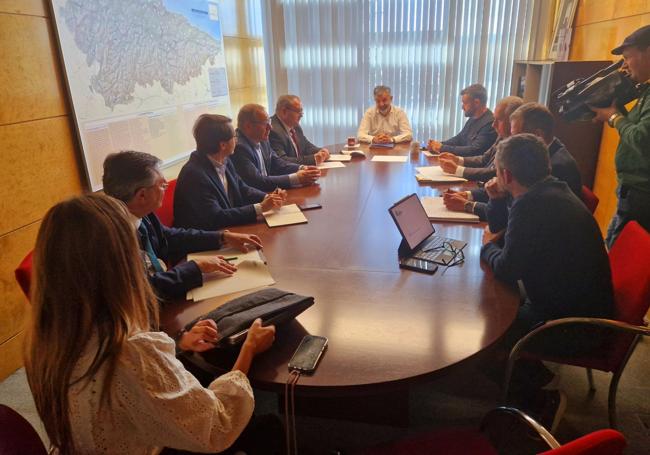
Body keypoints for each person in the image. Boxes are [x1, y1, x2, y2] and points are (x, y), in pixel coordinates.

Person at [25, 193, 277, 454]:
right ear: (120, 264)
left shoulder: (43, 342)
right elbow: (217, 428)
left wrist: (178, 346)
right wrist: (248, 350)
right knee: (268, 430)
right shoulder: (129, 351)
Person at [480, 134, 614, 429]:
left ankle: (542, 398)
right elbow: (510, 238)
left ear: (506, 174)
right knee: (493, 309)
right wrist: (496, 201)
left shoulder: (532, 206)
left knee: (485, 332)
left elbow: (507, 267)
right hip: (578, 305)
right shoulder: (551, 191)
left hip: (573, 326)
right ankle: (537, 376)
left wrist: (487, 246)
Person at [103, 150, 263, 301]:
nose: (166, 186)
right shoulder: (111, 239)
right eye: (161, 185)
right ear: (142, 195)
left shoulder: (141, 213)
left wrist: (222, 237)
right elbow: (146, 289)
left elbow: (169, 236)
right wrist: (195, 267)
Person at [444, 102, 582, 221]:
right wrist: (470, 195)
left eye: (515, 135)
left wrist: (468, 205)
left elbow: (514, 213)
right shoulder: (534, 155)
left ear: (538, 135)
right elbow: (504, 190)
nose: (509, 140)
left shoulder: (556, 166)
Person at [590, 25, 650, 247]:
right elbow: (634, 127)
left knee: (619, 259)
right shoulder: (645, 91)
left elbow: (642, 139)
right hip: (631, 192)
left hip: (642, 196)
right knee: (612, 248)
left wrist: (614, 117)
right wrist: (612, 111)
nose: (625, 65)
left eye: (628, 58)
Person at [174, 114, 286, 231]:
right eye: (234, 136)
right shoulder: (194, 175)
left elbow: (242, 189)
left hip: (229, 229)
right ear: (222, 145)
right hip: (207, 240)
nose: (237, 140)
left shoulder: (224, 160)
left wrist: (268, 197)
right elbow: (216, 217)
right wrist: (260, 207)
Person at [232, 104, 321, 192]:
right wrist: (296, 178)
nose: (270, 127)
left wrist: (302, 168)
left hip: (270, 194)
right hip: (255, 199)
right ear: (248, 126)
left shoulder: (262, 140)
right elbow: (257, 182)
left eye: (269, 122)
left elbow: (277, 163)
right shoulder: (239, 147)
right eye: (265, 124)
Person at [438, 96, 524, 180]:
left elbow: (494, 173)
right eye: (495, 119)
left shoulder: (518, 146)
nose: (494, 125)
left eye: (499, 120)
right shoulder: (502, 136)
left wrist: (457, 170)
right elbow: (484, 159)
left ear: (512, 121)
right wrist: (458, 160)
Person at [428, 83, 497, 157]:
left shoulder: (490, 123)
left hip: (473, 166)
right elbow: (459, 138)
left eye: (465, 103)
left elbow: (475, 150)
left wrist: (442, 148)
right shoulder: (473, 118)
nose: (462, 107)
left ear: (477, 103)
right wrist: (438, 144)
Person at [269, 95, 330, 165]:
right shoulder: (272, 130)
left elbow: (306, 146)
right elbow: (282, 160)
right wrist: (313, 159)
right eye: (298, 111)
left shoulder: (295, 126)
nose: (301, 115)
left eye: (301, 111)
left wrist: (321, 151)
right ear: (284, 111)